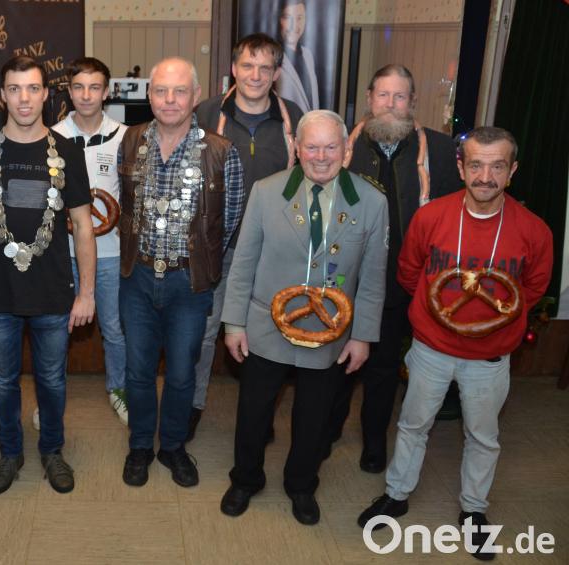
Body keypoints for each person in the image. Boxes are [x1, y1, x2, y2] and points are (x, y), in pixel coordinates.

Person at [358, 126, 553, 560]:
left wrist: (489, 321)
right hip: (431, 348)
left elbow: (534, 288)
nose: (486, 176)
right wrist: (438, 317)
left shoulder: (534, 230)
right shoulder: (431, 217)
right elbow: (410, 272)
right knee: (413, 425)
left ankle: (473, 511)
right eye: (477, 165)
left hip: (490, 356)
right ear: (461, 168)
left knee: (483, 437)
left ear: (512, 171)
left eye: (497, 166)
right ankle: (397, 494)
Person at [220, 110, 388, 524]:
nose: (321, 156)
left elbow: (372, 278)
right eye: (312, 146)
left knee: (314, 417)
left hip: (330, 331)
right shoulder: (266, 192)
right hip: (265, 326)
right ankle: (245, 478)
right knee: (254, 411)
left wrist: (362, 336)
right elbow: (243, 264)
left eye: (331, 147)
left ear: (346, 151)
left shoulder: (372, 203)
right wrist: (234, 324)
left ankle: (301, 484)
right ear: (297, 149)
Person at [0, 55, 95, 495]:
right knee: (2, 382)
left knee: (52, 380)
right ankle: (10, 452)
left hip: (52, 294)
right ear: (2, 95)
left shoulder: (68, 152)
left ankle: (52, 450)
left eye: (33, 88)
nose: (24, 98)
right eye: (15, 89)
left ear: (45, 94)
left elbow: (83, 226)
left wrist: (87, 293)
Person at [324, 64, 461, 472]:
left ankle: (373, 442)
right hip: (345, 280)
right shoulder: (342, 146)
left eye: (400, 96)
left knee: (383, 368)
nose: (390, 104)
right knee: (338, 364)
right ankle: (328, 431)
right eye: (383, 95)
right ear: (369, 99)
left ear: (412, 102)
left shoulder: (439, 151)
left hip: (401, 282)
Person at [118, 57, 245, 489]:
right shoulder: (130, 140)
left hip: (188, 284)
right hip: (137, 278)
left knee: (181, 373)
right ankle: (140, 445)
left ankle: (172, 446)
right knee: (137, 371)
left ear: (195, 97)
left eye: (179, 91)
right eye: (161, 90)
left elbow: (227, 223)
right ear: (149, 95)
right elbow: (127, 209)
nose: (169, 100)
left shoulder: (222, 152)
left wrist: (198, 266)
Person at [191, 33, 303, 442]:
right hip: (217, 248)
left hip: (274, 250)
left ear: (276, 74)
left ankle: (259, 415)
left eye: (265, 68)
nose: (255, 75)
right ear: (233, 69)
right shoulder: (206, 114)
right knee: (204, 333)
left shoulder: (294, 119)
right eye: (247, 66)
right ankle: (192, 406)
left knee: (268, 336)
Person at [50, 56, 129, 426]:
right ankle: (52, 394)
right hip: (62, 252)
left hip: (110, 251)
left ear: (106, 91)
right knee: (56, 328)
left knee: (114, 328)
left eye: (94, 87)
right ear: (69, 91)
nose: (86, 95)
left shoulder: (125, 136)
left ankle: (119, 388)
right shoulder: (51, 136)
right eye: (79, 87)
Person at [276, 0, 319, 113]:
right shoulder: (272, 57)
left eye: (299, 18)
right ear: (279, 20)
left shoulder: (308, 55)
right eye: (287, 18)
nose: (294, 25)